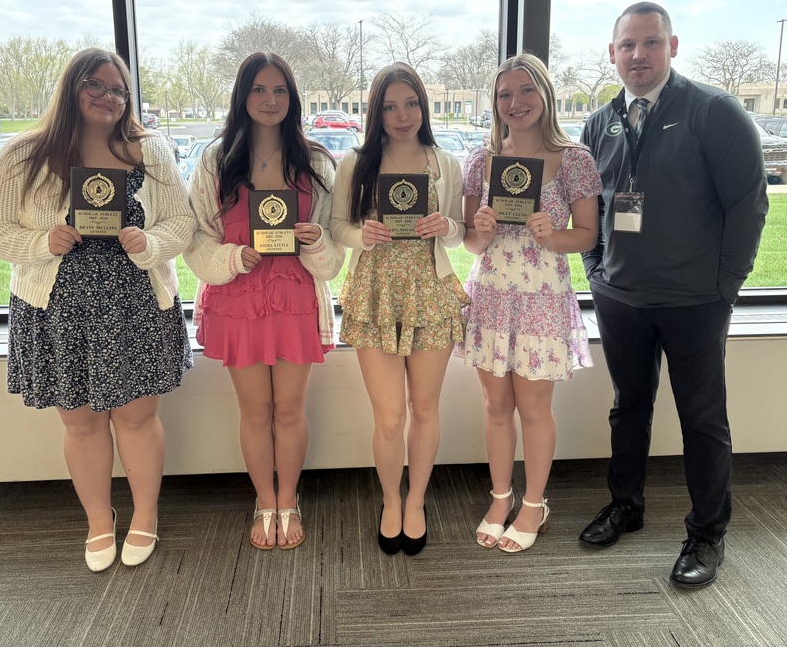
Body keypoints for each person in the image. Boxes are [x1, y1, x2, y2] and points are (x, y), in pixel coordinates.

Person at [0, 47, 195, 572]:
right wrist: (41, 243)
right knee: (80, 422)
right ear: (72, 88)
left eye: (118, 90)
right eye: (96, 85)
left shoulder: (152, 151)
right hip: (56, 309)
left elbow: (181, 226)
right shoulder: (24, 154)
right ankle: (99, 520)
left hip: (136, 305)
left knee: (138, 418)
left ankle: (145, 515)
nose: (108, 97)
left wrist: (150, 242)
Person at [579, 2, 768, 587]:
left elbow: (748, 205)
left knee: (702, 419)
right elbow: (594, 209)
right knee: (627, 408)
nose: (639, 55)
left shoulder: (714, 111)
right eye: (628, 45)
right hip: (621, 298)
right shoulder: (600, 122)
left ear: (673, 46)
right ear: (612, 53)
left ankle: (707, 535)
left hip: (694, 301)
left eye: (651, 43)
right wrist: (596, 270)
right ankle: (626, 506)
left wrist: (723, 287)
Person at [184, 52, 344, 551]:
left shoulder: (316, 162)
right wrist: (233, 258)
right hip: (238, 301)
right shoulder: (215, 160)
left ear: (292, 98)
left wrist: (316, 239)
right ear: (242, 96)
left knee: (290, 410)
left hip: (296, 300)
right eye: (258, 90)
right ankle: (265, 501)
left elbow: (333, 258)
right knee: (254, 412)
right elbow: (197, 242)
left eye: (279, 90)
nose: (270, 100)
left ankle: (289, 500)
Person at [459, 53, 602, 552]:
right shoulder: (481, 159)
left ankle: (535, 504)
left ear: (544, 95)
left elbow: (587, 237)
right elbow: (469, 244)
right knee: (496, 406)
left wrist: (552, 233)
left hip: (542, 300)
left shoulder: (575, 159)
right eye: (504, 94)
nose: (515, 103)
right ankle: (501, 497)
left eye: (525, 91)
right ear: (495, 103)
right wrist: (477, 229)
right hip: (492, 297)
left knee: (534, 409)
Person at [330, 62, 467, 556]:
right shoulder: (357, 162)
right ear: (376, 111)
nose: (402, 115)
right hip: (375, 292)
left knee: (424, 408)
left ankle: (417, 500)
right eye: (390, 106)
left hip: (430, 290)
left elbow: (462, 229)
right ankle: (391, 499)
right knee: (389, 416)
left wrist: (444, 228)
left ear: (424, 106)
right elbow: (337, 227)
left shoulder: (442, 162)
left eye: (411, 103)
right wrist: (359, 235)